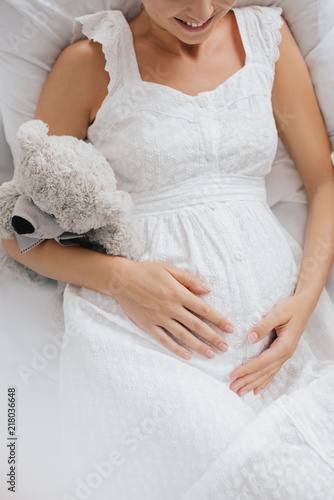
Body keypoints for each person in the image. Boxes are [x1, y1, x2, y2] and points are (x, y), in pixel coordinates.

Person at [2, 1, 334, 498]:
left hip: (278, 346)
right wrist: (121, 279)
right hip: (140, 345)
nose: (200, 10)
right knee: (279, 482)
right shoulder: (90, 64)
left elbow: (323, 182)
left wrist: (304, 305)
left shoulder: (267, 39)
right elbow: (18, 234)